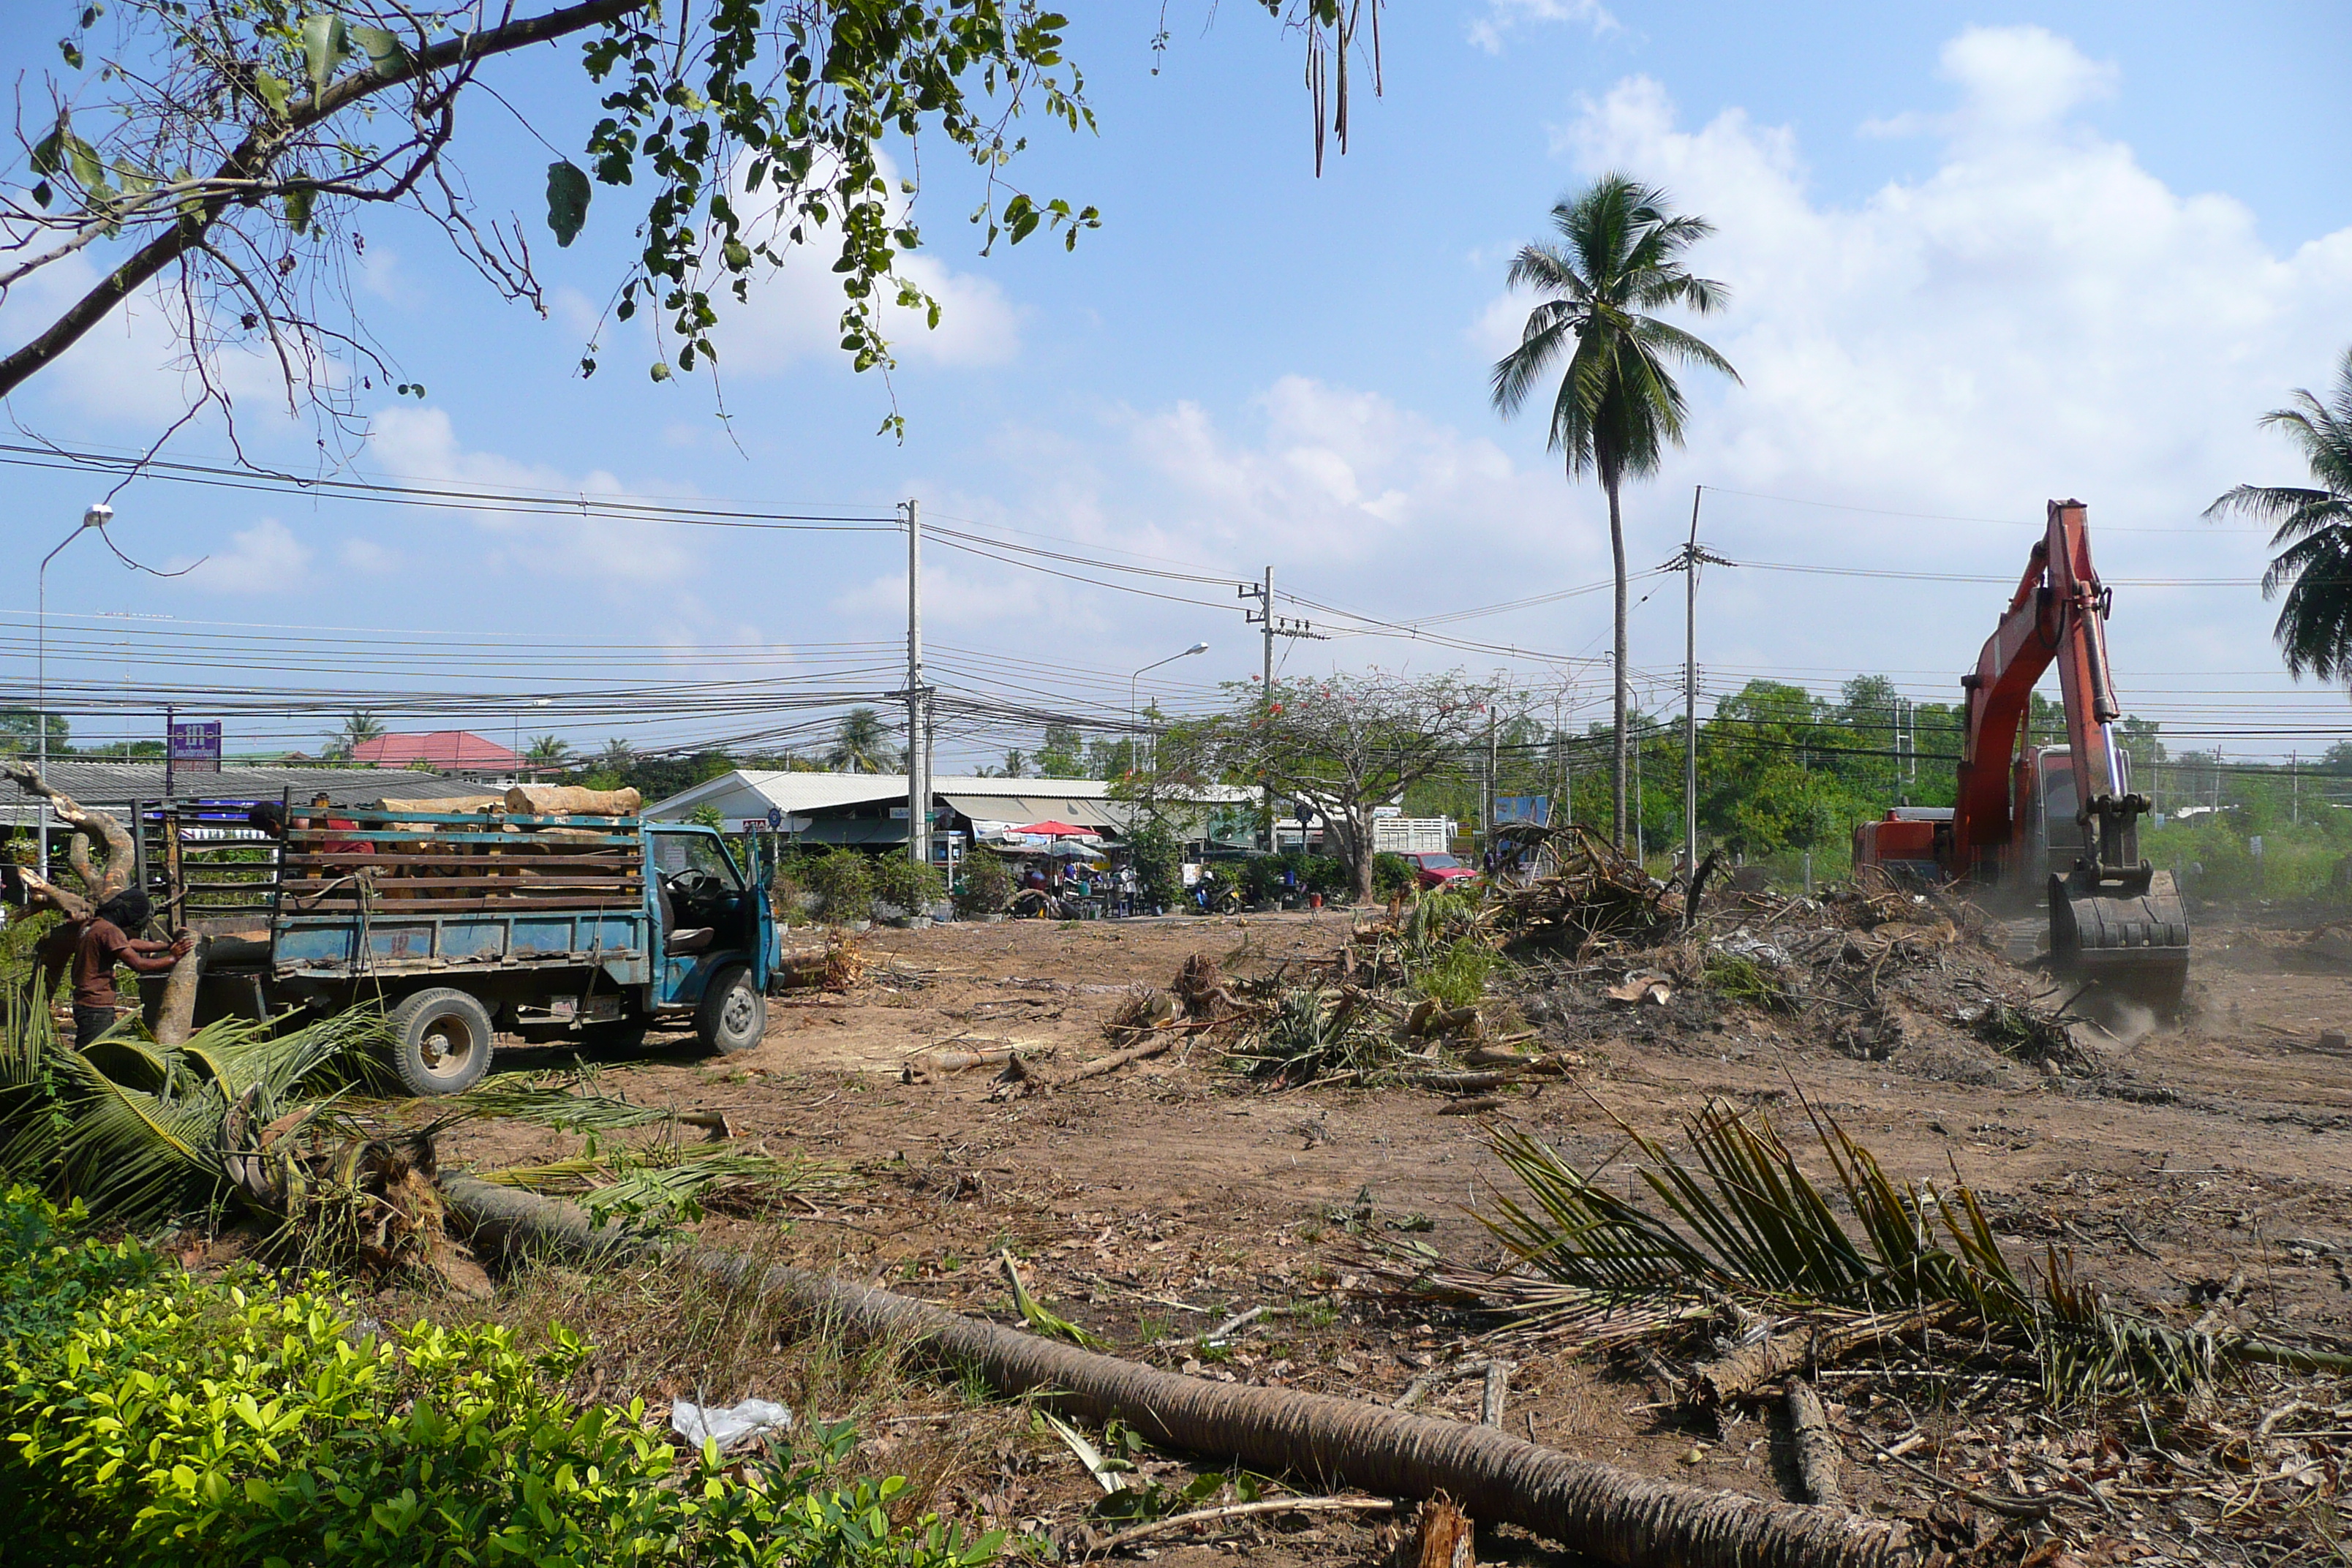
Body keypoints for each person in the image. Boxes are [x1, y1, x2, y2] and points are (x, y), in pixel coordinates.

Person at [71, 889, 191, 1049]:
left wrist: (167, 946)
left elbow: (130, 943)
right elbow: (139, 965)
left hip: (85, 1001)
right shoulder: (109, 931)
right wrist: (173, 958)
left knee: (90, 1051)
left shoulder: (93, 924)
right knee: (92, 1055)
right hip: (96, 1005)